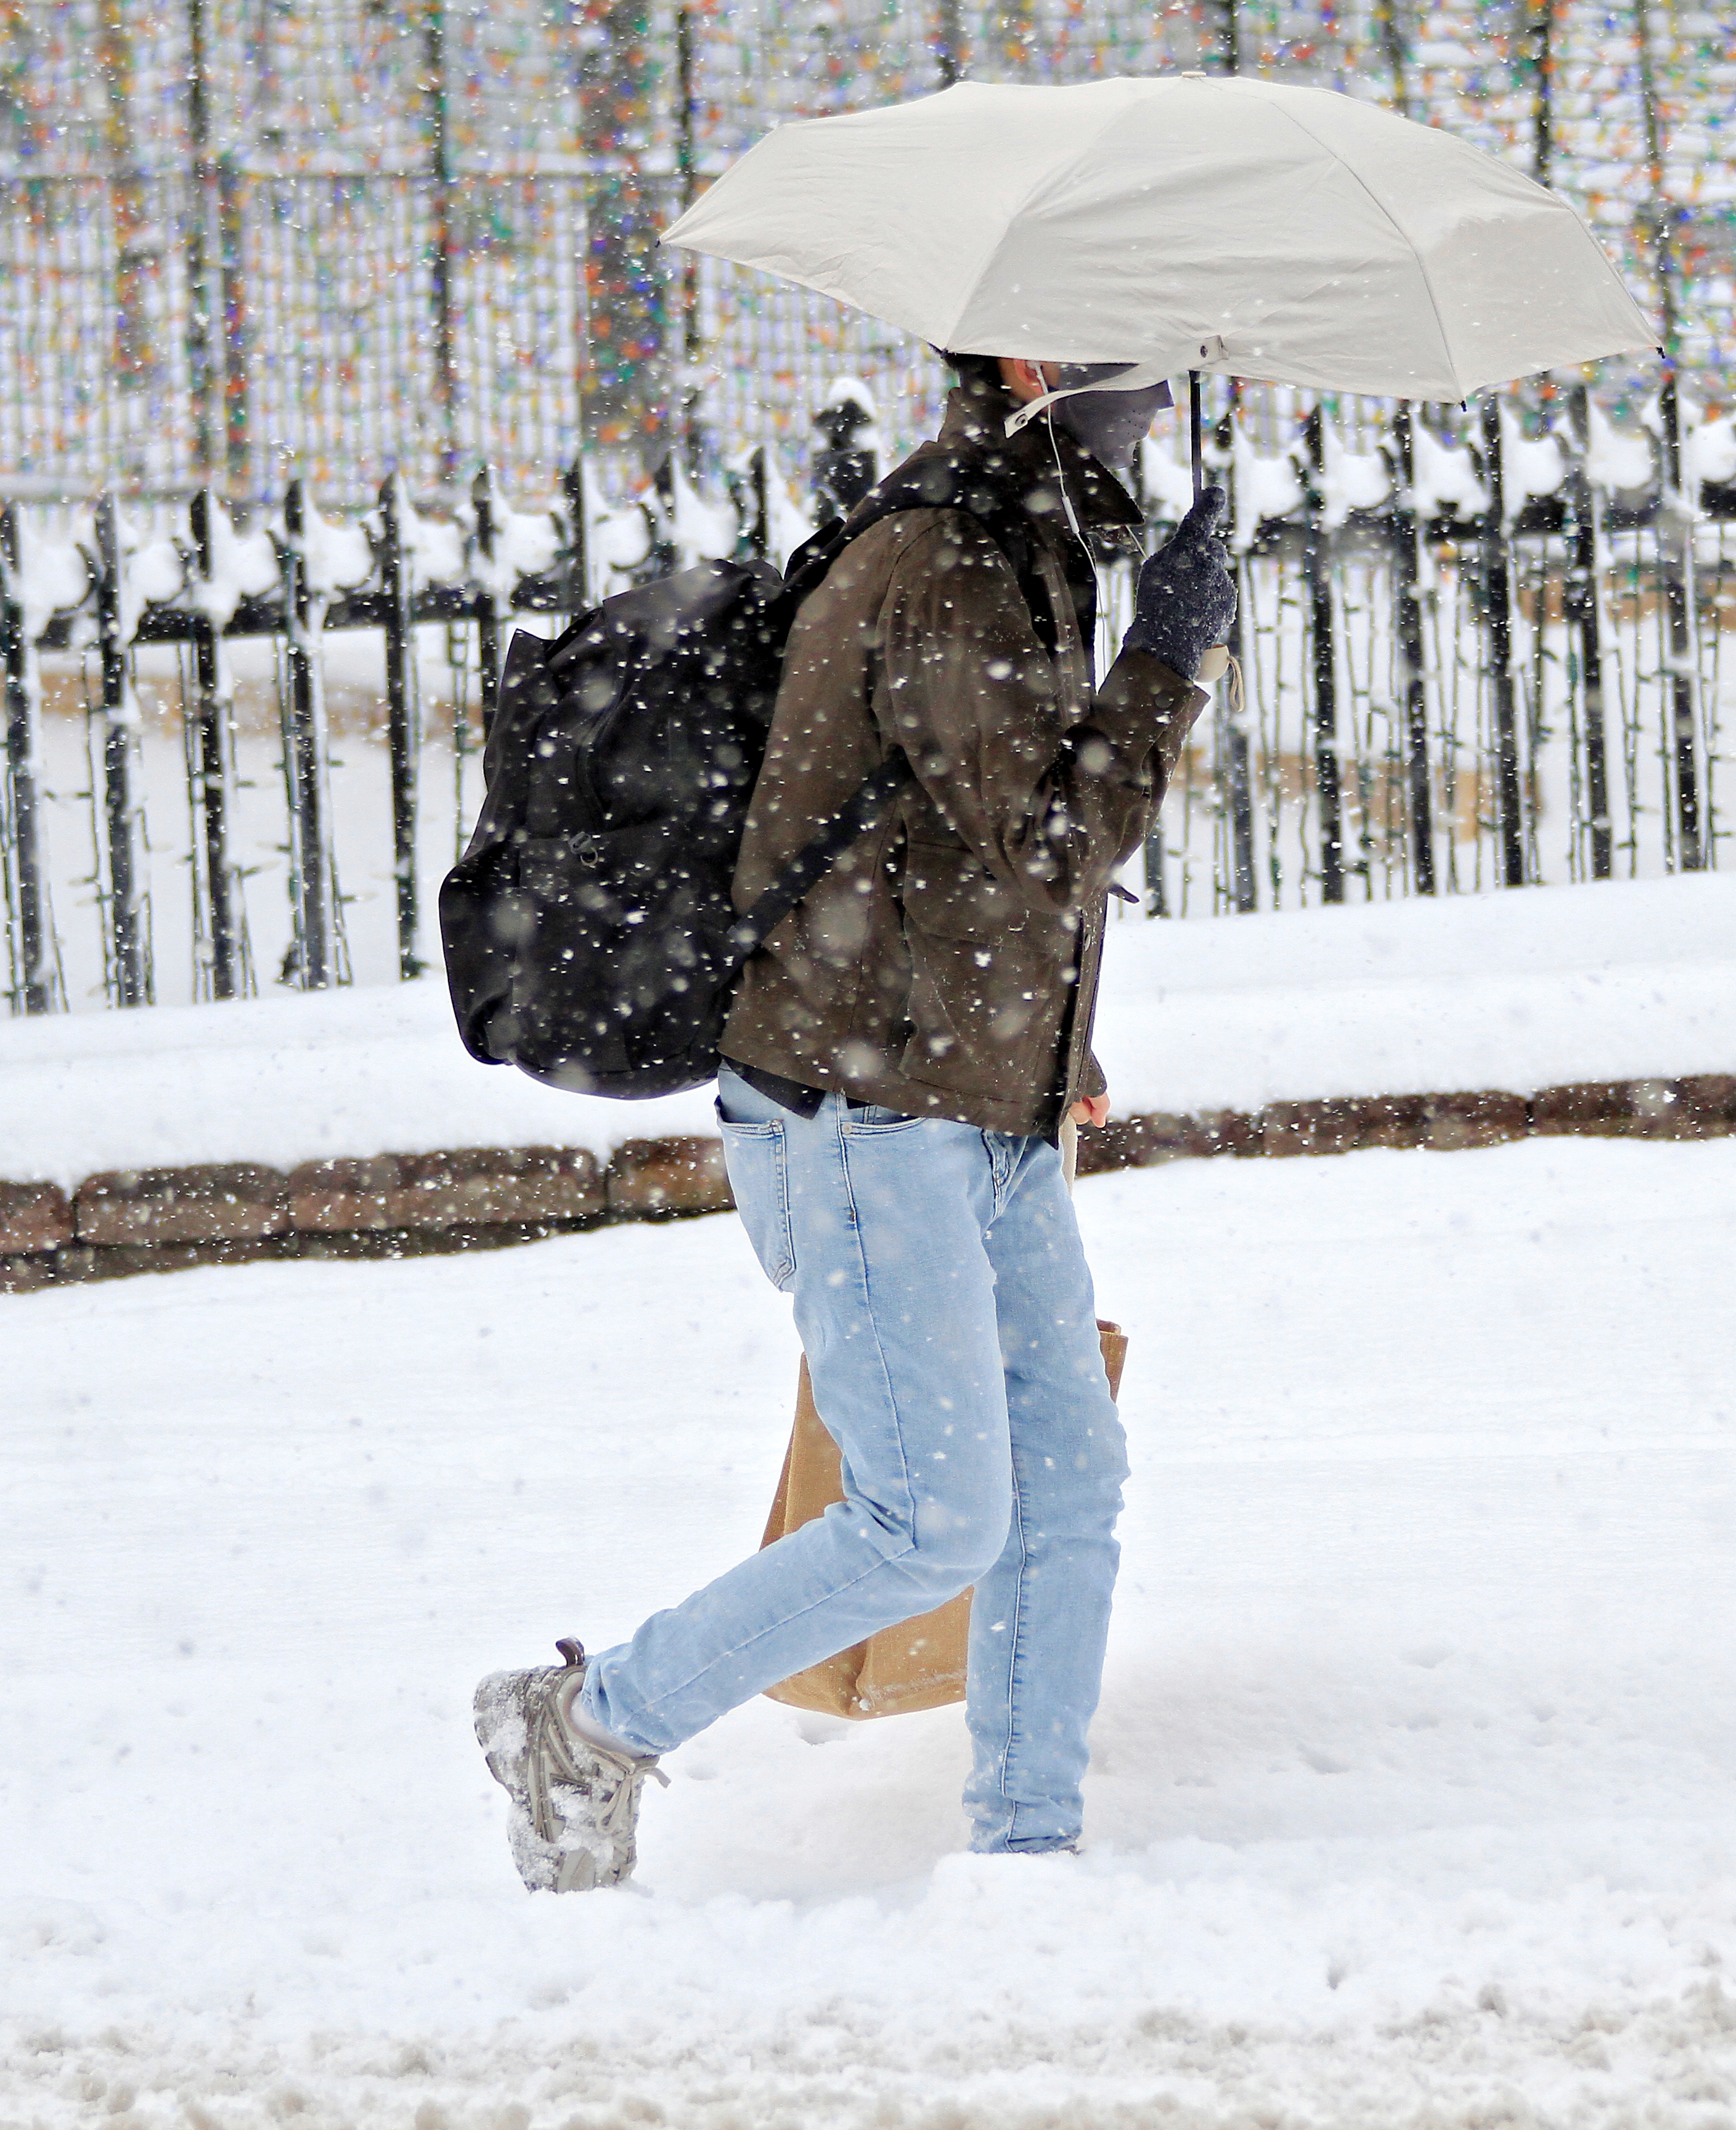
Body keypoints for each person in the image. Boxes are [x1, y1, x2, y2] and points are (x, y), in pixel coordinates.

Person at [473, 352, 1236, 1891]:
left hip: (971, 1098)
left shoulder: (1019, 543)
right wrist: (1166, 655)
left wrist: (1047, 1056)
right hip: (862, 1112)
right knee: (930, 1517)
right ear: (1032, 373)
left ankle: (1026, 1848)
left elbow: (964, 863)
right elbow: (1046, 838)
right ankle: (589, 1718)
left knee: (1065, 1481)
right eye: (1128, 360)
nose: (1160, 393)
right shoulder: (944, 561)